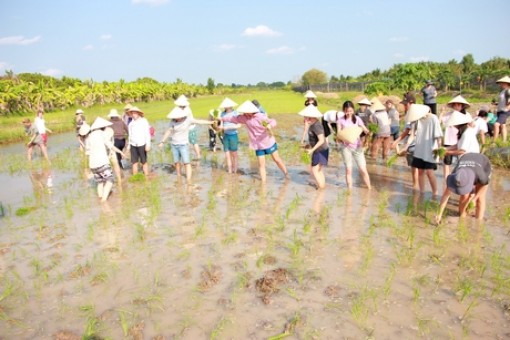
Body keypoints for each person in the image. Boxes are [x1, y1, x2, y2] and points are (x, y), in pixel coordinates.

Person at [221, 100, 288, 182]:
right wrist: (221, 118)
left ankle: (286, 174)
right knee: (261, 165)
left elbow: (273, 121)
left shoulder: (260, 117)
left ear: (250, 110)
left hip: (268, 142)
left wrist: (270, 125)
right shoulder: (245, 118)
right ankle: (263, 184)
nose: (244, 113)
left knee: (277, 159)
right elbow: (232, 118)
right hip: (258, 145)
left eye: (245, 111)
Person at [158, 107, 213, 182]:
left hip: (183, 145)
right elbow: (168, 131)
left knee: (186, 162)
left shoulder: (187, 120)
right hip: (174, 145)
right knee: (177, 162)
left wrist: (211, 122)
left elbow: (199, 121)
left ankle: (189, 180)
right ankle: (179, 177)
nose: (175, 117)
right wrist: (162, 141)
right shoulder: (172, 122)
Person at [435, 153, 491, 224]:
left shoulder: (481, 176)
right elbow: (446, 195)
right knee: (464, 195)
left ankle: (478, 222)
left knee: (480, 199)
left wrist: (474, 199)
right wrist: (439, 214)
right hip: (466, 159)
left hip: (483, 163)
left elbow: (485, 186)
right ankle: (462, 218)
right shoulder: (455, 175)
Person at [82, 117, 124, 202]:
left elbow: (87, 152)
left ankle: (100, 198)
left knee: (100, 182)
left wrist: (86, 168)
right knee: (110, 180)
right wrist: (121, 152)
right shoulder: (102, 134)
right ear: (103, 127)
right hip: (102, 162)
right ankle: (104, 200)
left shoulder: (89, 137)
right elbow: (110, 146)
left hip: (93, 164)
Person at [407, 104, 443, 196]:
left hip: (430, 150)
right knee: (420, 172)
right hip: (419, 150)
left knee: (430, 173)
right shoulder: (417, 120)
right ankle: (422, 193)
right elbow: (412, 135)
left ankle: (435, 193)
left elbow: (438, 136)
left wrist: (439, 150)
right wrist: (406, 146)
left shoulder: (433, 118)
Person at [336, 100, 371, 190]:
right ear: (344, 110)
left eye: (350, 111)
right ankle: (350, 191)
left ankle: (369, 188)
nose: (349, 113)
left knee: (363, 169)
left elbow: (363, 128)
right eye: (347, 111)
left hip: (357, 147)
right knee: (348, 170)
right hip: (346, 147)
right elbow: (339, 133)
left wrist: (367, 131)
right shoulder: (340, 121)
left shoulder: (357, 119)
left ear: (353, 110)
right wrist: (339, 138)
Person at [439, 95, 471, 183]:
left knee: (461, 161)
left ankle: (460, 178)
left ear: (462, 106)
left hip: (460, 141)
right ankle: (446, 179)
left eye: (458, 105)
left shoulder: (467, 115)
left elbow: (471, 125)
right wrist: (441, 113)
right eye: (455, 105)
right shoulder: (449, 115)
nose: (456, 107)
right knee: (447, 162)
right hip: (449, 140)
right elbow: (439, 122)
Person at [391, 92, 418, 190]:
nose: (404, 107)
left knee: (414, 168)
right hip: (419, 144)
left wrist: (396, 141)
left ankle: (415, 188)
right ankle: (419, 189)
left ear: (411, 103)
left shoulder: (411, 115)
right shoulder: (420, 112)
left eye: (405, 105)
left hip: (413, 144)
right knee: (421, 169)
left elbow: (407, 131)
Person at [299, 105, 328, 189]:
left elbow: (321, 140)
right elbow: (314, 139)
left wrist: (312, 150)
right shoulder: (313, 124)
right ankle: (323, 186)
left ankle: (321, 189)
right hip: (320, 150)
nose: (305, 119)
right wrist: (308, 145)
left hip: (320, 150)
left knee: (315, 170)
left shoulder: (316, 126)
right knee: (318, 170)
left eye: (306, 117)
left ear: (312, 117)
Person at [218, 98, 241, 174]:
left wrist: (228, 127)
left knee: (234, 154)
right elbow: (221, 124)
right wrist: (220, 128)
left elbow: (239, 125)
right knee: (227, 154)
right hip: (225, 135)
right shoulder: (222, 114)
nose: (225, 107)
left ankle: (235, 170)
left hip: (233, 135)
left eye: (226, 106)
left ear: (230, 106)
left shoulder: (235, 113)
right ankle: (230, 171)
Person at [127, 106, 151, 176]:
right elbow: (130, 135)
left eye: (135, 113)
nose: (133, 115)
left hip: (142, 144)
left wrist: (148, 144)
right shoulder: (131, 124)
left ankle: (146, 176)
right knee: (134, 162)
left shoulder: (144, 121)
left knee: (144, 161)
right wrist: (128, 146)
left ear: (138, 113)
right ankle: (135, 177)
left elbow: (147, 133)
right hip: (133, 144)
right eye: (132, 113)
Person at [494, 76, 510, 142]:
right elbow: (503, 101)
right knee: (503, 125)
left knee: (496, 124)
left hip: (505, 111)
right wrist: (497, 103)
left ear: (507, 83)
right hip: (500, 110)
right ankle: (504, 141)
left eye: (503, 83)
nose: (501, 84)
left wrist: (508, 107)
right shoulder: (503, 91)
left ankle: (494, 141)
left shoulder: (509, 90)